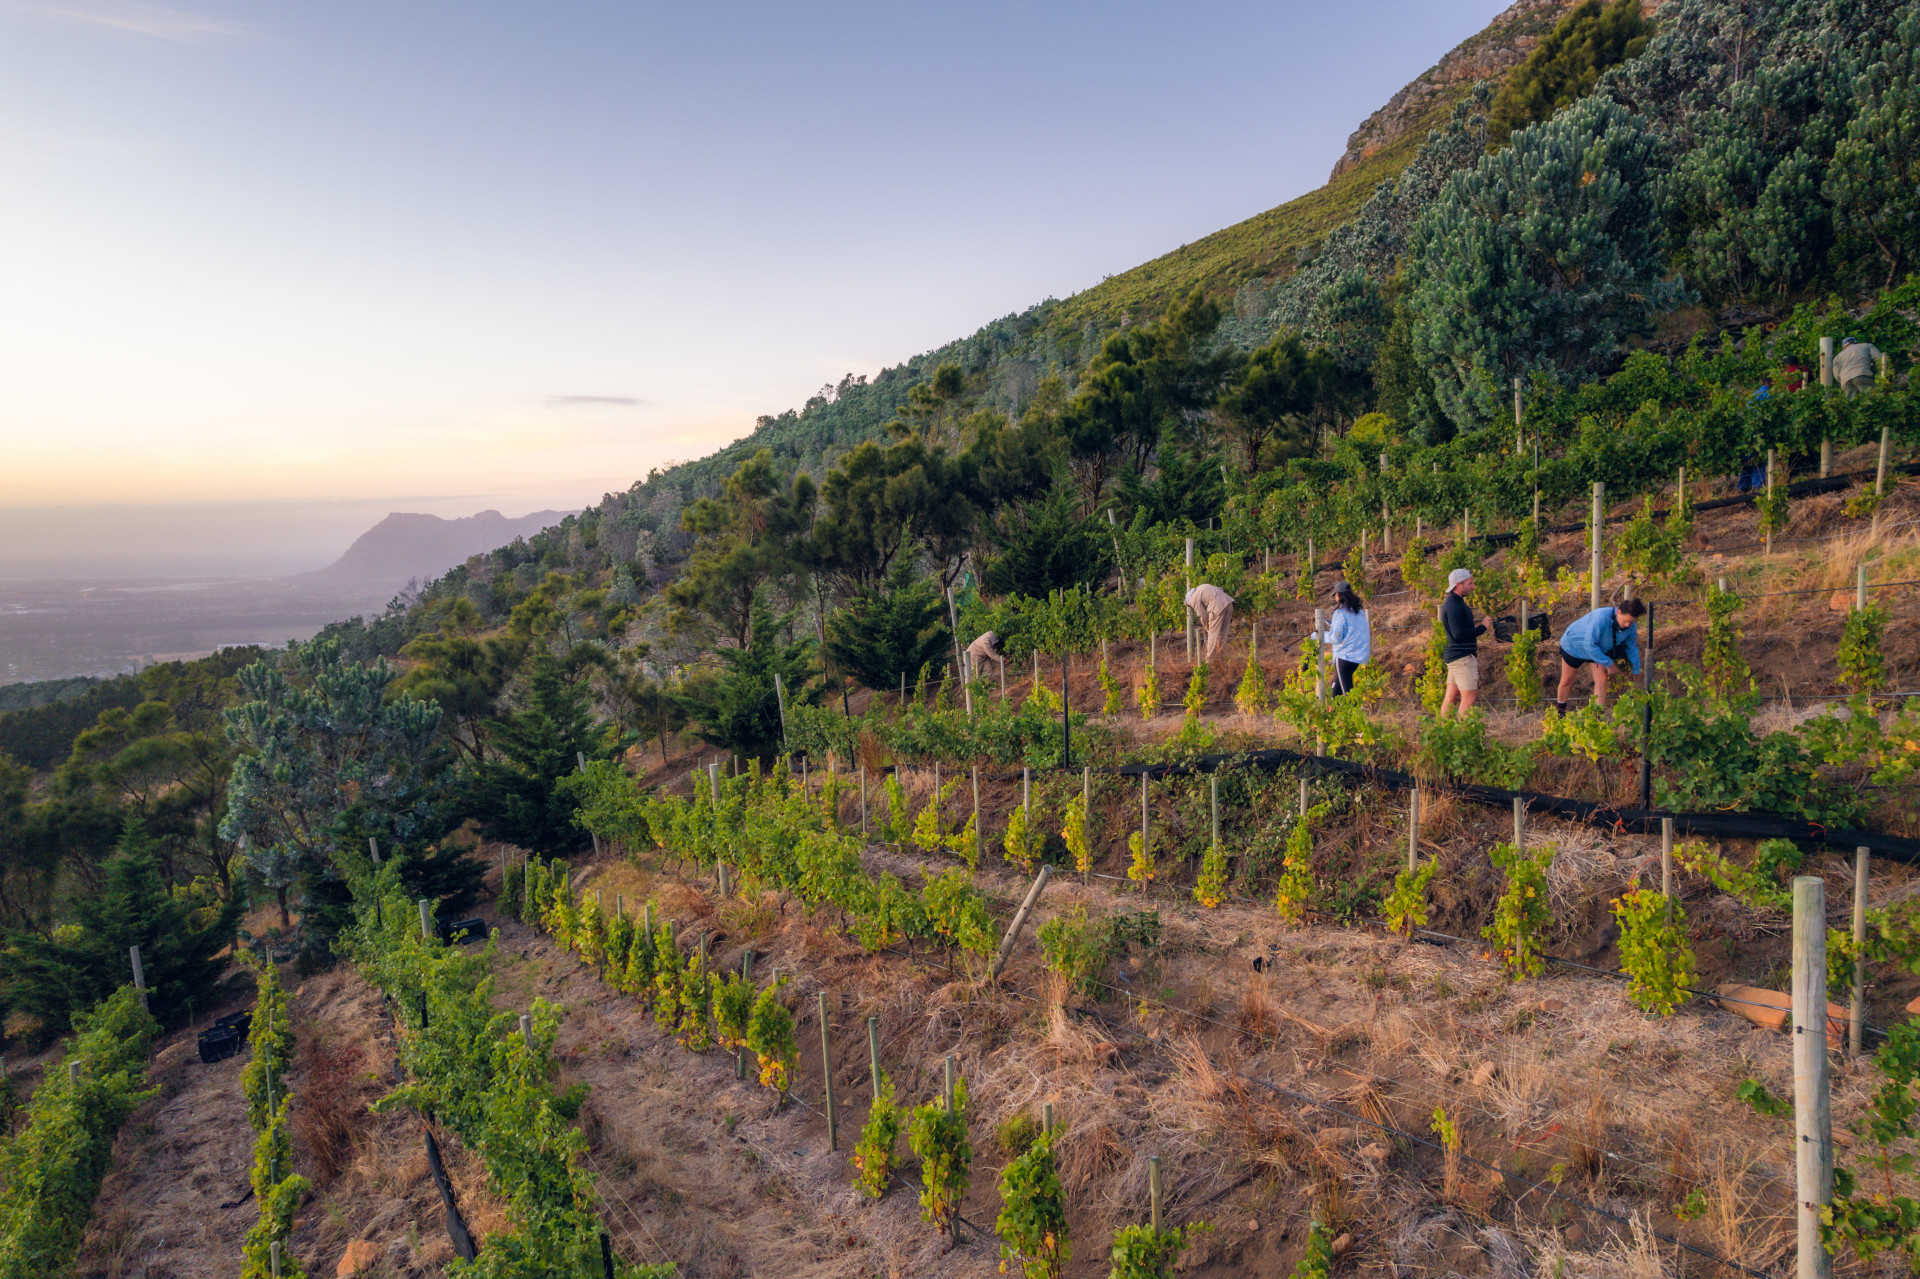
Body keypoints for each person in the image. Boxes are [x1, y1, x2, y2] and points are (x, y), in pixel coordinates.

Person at [1555, 598, 1647, 712]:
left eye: (1631, 622)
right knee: (1567, 680)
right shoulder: (1601, 618)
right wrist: (1609, 663)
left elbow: (1632, 648)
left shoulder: (1631, 627)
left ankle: (1597, 717)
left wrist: (1636, 670)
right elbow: (1589, 644)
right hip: (1574, 645)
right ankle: (1560, 712)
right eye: (1625, 621)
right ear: (1618, 612)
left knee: (1602, 680)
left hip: (1597, 650)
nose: (1627, 624)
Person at [1438, 568, 1487, 718]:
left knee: (1451, 697)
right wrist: (1482, 628)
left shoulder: (1455, 602)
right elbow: (1458, 635)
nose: (1473, 587)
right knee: (1469, 696)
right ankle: (1462, 733)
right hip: (1462, 658)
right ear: (1458, 585)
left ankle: (1444, 731)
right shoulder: (1454, 606)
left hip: (1456, 657)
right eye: (1470, 583)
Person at [1310, 581, 1371, 696]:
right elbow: (1352, 630)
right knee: (1336, 692)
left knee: (1346, 694)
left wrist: (1318, 636)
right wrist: (1334, 625)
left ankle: (1353, 712)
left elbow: (1336, 638)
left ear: (1339, 595)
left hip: (1344, 656)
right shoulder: (1359, 612)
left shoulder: (1340, 613)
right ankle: (1334, 712)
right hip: (1358, 656)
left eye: (1335, 595)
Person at [1185, 582, 1236, 663]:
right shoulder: (1202, 587)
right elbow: (1220, 589)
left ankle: (1209, 661)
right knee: (1223, 633)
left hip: (1217, 607)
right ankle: (1221, 658)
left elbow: (1202, 615)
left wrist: (1207, 628)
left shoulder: (1192, 599)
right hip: (1228, 603)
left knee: (1213, 635)